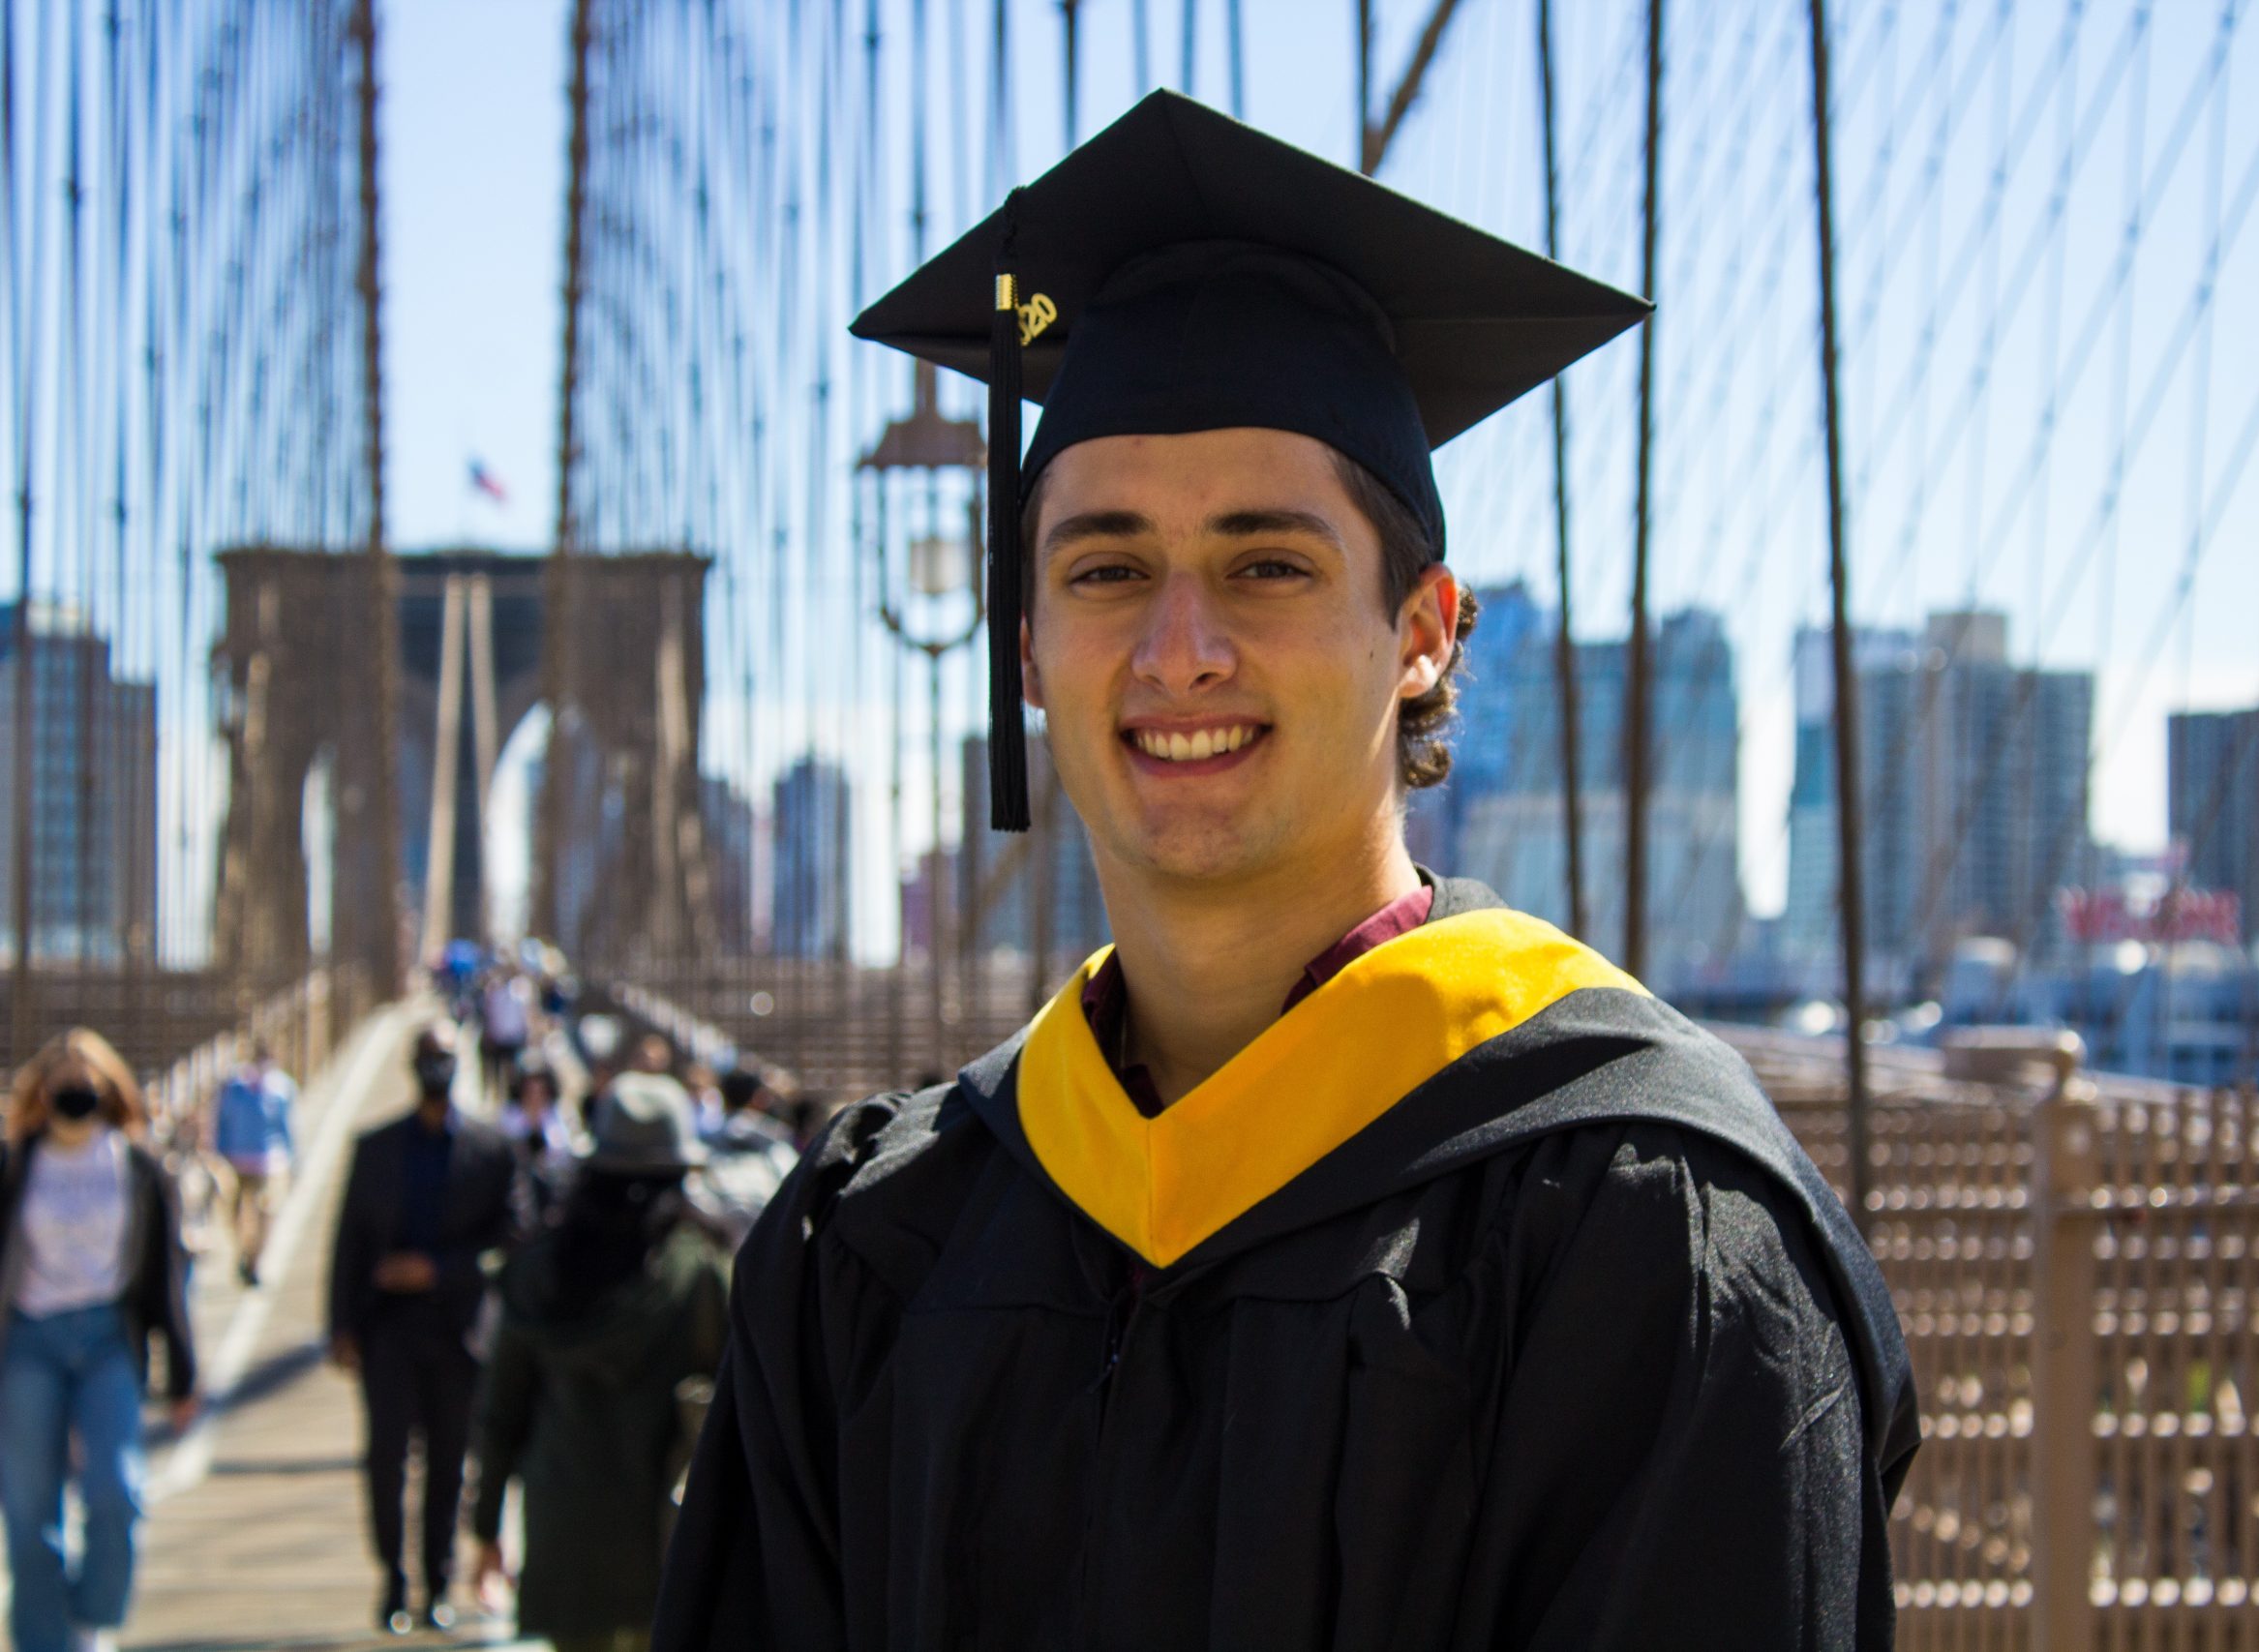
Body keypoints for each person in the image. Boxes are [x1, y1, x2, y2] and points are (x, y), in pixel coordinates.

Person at [655, 94, 1916, 1651]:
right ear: (1029, 646)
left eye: (1270, 562)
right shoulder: (874, 1244)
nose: (1182, 648)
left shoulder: (1647, 1240)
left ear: (1424, 631)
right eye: (1107, 567)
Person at [470, 1073, 730, 1652]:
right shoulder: (701, 1272)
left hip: (565, 1530)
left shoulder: (538, 1271)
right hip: (666, 1534)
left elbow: (501, 1412)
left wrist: (486, 1529)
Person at [1, 1029, 200, 1652]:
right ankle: (42, 1641)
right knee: (30, 1510)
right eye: (61, 1081)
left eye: (86, 1082)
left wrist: (184, 1376)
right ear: (42, 1091)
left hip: (107, 1339)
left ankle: (92, 1615)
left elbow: (166, 1277)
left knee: (117, 1492)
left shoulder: (137, 1166)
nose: (73, 1092)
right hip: (30, 1340)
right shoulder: (15, 1165)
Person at [329, 1021, 516, 1637]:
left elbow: (510, 1243)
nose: (436, 1067)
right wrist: (342, 1325)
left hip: (460, 1332)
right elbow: (350, 1241)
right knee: (386, 1460)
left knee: (448, 1464)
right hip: (388, 1331)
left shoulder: (492, 1150)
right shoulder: (376, 1147)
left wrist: (437, 1270)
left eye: (445, 1057)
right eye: (426, 1057)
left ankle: (436, 1583)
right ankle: (392, 1582)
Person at [209, 1040, 295, 1286]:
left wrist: (292, 1159)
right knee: (234, 1213)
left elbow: (287, 1126)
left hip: (269, 1163)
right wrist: (219, 1152)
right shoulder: (235, 1087)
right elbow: (222, 1120)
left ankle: (255, 1260)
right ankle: (245, 1251)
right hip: (236, 1161)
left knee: (265, 1213)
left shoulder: (281, 1088)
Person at [690, 1069, 797, 1247]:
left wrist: (724, 1221)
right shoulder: (778, 1139)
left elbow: (694, 1190)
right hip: (769, 1240)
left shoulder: (706, 1140)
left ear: (723, 1098)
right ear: (757, 1098)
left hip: (723, 1236)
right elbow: (794, 1188)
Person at [497, 1055, 575, 1240]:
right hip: (516, 1188)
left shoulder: (559, 1118)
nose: (535, 1094)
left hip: (551, 1189)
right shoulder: (508, 1117)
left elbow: (565, 1155)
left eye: (541, 1089)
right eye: (530, 1089)